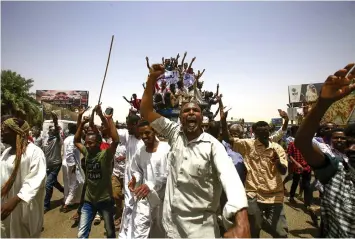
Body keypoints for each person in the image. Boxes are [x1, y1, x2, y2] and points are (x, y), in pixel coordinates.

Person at [140, 63, 250, 238]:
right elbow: (146, 110)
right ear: (180, 118)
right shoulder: (174, 133)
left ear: (202, 117)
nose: (191, 112)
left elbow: (230, 178)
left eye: (195, 110)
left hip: (200, 231)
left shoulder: (213, 146)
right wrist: (152, 78)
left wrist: (242, 220)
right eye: (186, 110)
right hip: (170, 227)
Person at [295, 63, 355, 237]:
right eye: (348, 141)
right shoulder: (337, 170)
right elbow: (302, 141)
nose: (350, 147)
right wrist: (323, 103)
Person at [232, 120, 288, 238]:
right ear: (255, 133)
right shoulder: (248, 145)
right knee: (254, 229)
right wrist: (222, 120)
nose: (264, 134)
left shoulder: (277, 148)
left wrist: (277, 161)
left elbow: (283, 171)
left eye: (266, 131)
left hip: (274, 195)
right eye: (260, 132)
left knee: (281, 233)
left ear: (269, 132)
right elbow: (229, 140)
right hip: (254, 194)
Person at [74, 104, 119, 238]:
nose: (87, 145)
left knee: (110, 232)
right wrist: (81, 123)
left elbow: (115, 140)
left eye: (90, 143)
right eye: (86, 143)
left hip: (105, 201)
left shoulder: (105, 155)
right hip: (89, 201)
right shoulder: (87, 152)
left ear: (99, 143)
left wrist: (107, 118)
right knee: (82, 234)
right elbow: (76, 140)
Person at [1, 117, 47, 237]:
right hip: (5, 207)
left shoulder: (34, 152)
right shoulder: (6, 153)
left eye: (4, 128)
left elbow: (36, 179)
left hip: (24, 207)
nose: (1, 131)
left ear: (16, 131)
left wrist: (16, 199)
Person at [129, 120, 170, 238]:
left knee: (160, 231)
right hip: (145, 198)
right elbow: (136, 169)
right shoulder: (140, 151)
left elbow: (169, 173)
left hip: (163, 199)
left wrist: (151, 185)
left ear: (155, 131)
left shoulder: (166, 149)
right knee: (139, 229)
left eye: (147, 133)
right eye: (141, 134)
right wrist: (135, 179)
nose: (144, 137)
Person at [118, 114, 145, 239]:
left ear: (135, 124)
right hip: (130, 177)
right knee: (129, 204)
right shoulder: (128, 136)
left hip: (144, 177)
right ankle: (126, 233)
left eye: (129, 124)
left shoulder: (146, 138)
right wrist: (104, 117)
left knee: (141, 206)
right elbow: (112, 133)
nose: (127, 127)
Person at [43, 112, 64, 213]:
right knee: (53, 182)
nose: (52, 131)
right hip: (48, 165)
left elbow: (56, 130)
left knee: (48, 184)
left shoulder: (58, 139)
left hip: (56, 164)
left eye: (54, 130)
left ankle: (46, 205)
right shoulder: (46, 140)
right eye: (50, 130)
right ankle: (64, 191)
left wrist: (55, 121)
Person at [61, 123, 84, 213]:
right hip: (71, 164)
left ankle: (70, 200)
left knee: (67, 183)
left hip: (65, 163)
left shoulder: (67, 138)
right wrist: (72, 165)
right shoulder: (73, 139)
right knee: (75, 184)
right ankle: (67, 204)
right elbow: (70, 152)